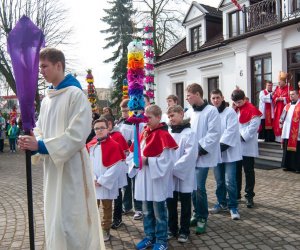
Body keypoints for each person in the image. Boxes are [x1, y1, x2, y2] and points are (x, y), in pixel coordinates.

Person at [18, 48, 103, 250]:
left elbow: (77, 135)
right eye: (40, 67)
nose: (41, 71)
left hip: (72, 169)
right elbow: (40, 128)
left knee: (71, 223)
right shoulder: (47, 99)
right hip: (53, 170)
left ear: (59, 65)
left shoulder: (76, 95)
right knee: (55, 221)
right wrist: (32, 140)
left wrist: (40, 145)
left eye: (44, 66)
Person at [129, 104, 178, 250]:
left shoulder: (164, 135)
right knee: (146, 211)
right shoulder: (143, 132)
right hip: (143, 178)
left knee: (159, 212)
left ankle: (161, 240)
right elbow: (133, 153)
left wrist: (147, 160)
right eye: (145, 118)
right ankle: (149, 236)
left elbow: (167, 161)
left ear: (158, 117)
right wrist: (135, 161)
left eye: (149, 118)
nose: (146, 120)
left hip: (156, 179)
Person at [185, 83, 221, 234]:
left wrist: (199, 149)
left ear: (197, 94)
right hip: (190, 155)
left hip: (202, 155)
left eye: (189, 95)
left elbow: (214, 133)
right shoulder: (190, 112)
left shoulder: (211, 111)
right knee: (192, 186)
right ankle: (196, 213)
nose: (186, 98)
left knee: (199, 187)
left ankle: (202, 217)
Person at [87, 118, 125, 241]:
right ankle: (94, 229)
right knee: (93, 207)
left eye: (102, 128)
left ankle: (105, 230)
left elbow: (117, 167)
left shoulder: (114, 145)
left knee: (107, 208)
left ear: (107, 128)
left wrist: (102, 180)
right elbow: (86, 164)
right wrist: (92, 178)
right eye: (96, 128)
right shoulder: (90, 145)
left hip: (106, 183)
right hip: (93, 182)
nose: (99, 130)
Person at [166, 105, 197, 243]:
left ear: (181, 114)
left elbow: (190, 155)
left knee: (185, 203)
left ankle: (184, 231)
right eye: (169, 116)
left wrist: (174, 168)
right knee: (171, 203)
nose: (170, 119)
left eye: (172, 115)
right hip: (169, 174)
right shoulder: (169, 133)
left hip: (184, 174)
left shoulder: (189, 133)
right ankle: (172, 228)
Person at [209, 89, 242, 220]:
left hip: (229, 152)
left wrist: (217, 147)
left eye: (217, 97)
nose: (216, 100)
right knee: (219, 181)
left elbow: (231, 131)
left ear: (222, 98)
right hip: (216, 153)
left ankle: (233, 206)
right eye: (213, 98)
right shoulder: (210, 113)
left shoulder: (230, 112)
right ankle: (221, 203)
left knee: (230, 181)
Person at [231, 88, 262, 208]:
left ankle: (249, 196)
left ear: (244, 99)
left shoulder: (253, 110)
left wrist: (239, 136)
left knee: (248, 172)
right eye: (236, 102)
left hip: (247, 145)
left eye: (239, 102)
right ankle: (237, 194)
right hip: (236, 147)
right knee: (236, 172)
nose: (238, 104)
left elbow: (253, 128)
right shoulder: (235, 110)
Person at [115, 99, 144, 220]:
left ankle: (139, 208)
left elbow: (142, 138)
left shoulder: (139, 123)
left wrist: (130, 142)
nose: (124, 114)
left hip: (135, 156)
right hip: (124, 157)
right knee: (126, 184)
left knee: (136, 184)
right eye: (122, 111)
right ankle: (127, 206)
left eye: (126, 111)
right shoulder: (121, 123)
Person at [102, 114, 129, 229]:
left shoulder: (118, 136)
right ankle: (105, 219)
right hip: (104, 171)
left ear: (111, 124)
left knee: (117, 195)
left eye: (108, 124)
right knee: (105, 197)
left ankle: (117, 218)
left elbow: (125, 152)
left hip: (116, 171)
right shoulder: (100, 136)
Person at [279, 90, 300, 173]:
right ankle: (287, 165)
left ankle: (297, 167)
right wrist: (280, 121)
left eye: (293, 94)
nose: (291, 96)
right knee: (287, 150)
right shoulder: (287, 106)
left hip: (296, 132)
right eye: (290, 94)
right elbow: (282, 116)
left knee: (297, 151)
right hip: (287, 131)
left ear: (298, 95)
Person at [272, 71, 292, 142]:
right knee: (277, 122)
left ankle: (284, 138)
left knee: (284, 122)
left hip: (285, 109)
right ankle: (278, 139)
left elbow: (291, 99)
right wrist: (276, 99)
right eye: (278, 82)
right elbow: (273, 97)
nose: (279, 83)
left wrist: (283, 99)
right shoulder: (277, 88)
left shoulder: (289, 88)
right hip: (278, 109)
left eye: (280, 82)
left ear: (284, 82)